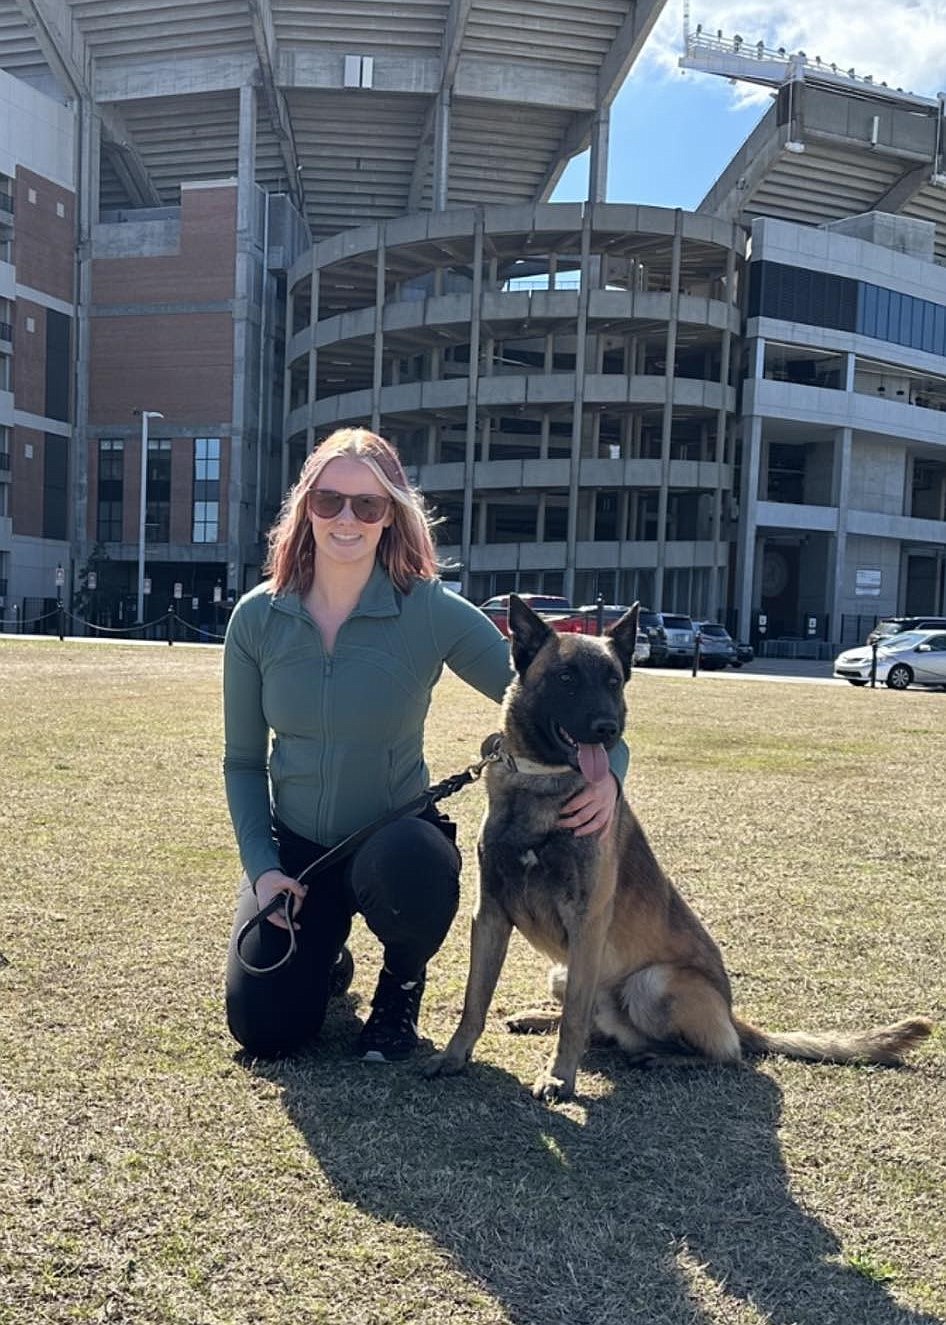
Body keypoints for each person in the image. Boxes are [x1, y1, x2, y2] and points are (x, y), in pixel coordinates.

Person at [223, 426, 627, 1062]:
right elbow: (243, 762)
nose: (347, 518)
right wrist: (264, 867)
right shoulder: (256, 617)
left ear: (392, 516)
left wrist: (610, 774)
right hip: (299, 859)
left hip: (395, 841)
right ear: (306, 509)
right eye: (329, 501)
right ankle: (327, 958)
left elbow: (546, 689)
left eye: (368, 504)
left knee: (413, 868)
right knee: (265, 1030)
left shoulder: (430, 609)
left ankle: (400, 988)